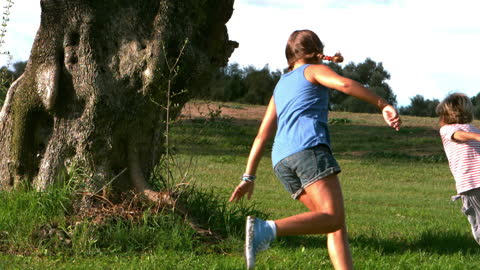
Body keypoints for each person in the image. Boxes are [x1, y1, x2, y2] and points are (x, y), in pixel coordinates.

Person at [228, 29, 401, 269]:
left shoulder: (281, 85)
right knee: (333, 217)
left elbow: (262, 134)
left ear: (289, 55)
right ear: (316, 51)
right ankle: (265, 230)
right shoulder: (312, 70)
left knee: (330, 222)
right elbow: (344, 84)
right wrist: (383, 104)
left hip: (281, 161)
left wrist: (248, 176)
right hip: (307, 150)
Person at [436, 92, 480, 245]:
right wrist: (475, 137)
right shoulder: (450, 130)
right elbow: (459, 135)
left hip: (472, 185)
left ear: (445, 114)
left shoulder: (471, 130)